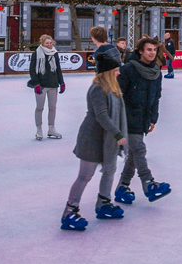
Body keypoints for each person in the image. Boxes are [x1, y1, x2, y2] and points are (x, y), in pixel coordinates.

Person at [61, 51, 128, 231]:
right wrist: (117, 134)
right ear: (107, 72)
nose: (119, 73)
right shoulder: (98, 88)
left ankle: (103, 203)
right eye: (116, 70)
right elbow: (101, 115)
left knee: (109, 170)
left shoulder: (113, 88)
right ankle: (69, 212)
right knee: (85, 175)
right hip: (92, 137)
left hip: (107, 137)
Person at [114, 37, 171, 205]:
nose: (152, 53)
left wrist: (153, 118)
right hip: (127, 118)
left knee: (133, 155)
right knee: (139, 149)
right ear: (140, 51)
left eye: (154, 50)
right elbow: (117, 96)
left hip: (143, 118)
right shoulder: (128, 70)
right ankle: (148, 183)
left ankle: (122, 187)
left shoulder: (156, 72)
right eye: (149, 50)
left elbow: (156, 97)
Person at [29, 34, 65, 141]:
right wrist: (36, 84)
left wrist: (62, 82)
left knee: (52, 107)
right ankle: (39, 129)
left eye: (50, 43)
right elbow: (32, 70)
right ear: (42, 43)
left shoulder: (55, 53)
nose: (49, 45)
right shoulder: (37, 54)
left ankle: (51, 128)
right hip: (41, 85)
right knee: (40, 108)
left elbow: (58, 69)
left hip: (53, 84)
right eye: (47, 43)